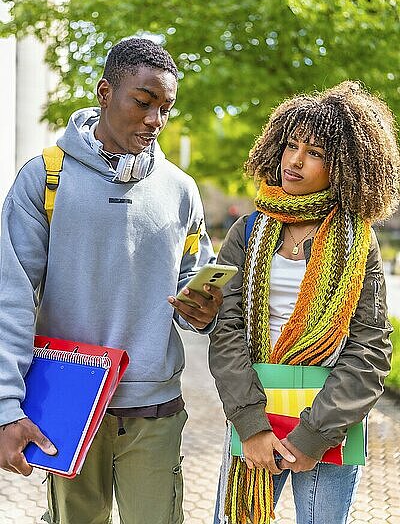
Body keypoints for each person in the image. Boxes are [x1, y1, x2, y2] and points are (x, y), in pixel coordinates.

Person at [0, 37, 223, 524]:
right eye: (143, 102)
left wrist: (203, 311)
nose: (155, 120)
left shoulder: (181, 189)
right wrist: (7, 407)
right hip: (67, 404)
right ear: (104, 91)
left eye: (165, 108)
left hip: (155, 407)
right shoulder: (45, 178)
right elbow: (10, 301)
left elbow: (193, 278)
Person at [209, 81, 400, 524]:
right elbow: (228, 333)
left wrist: (314, 437)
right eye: (290, 145)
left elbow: (369, 348)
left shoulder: (358, 240)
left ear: (346, 165)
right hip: (253, 415)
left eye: (314, 152)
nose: (294, 161)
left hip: (328, 423)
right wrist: (252, 427)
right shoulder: (248, 232)